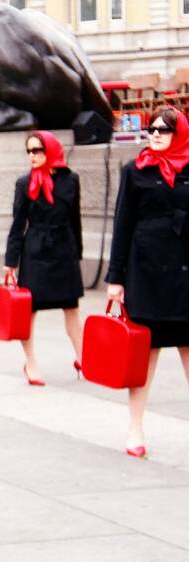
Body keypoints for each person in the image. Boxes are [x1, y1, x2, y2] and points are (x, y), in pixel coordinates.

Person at [106, 105, 189, 459]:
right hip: (146, 276)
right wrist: (115, 279)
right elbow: (122, 225)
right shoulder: (135, 171)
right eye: (151, 128)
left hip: (185, 278)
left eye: (164, 129)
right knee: (145, 357)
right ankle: (135, 428)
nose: (154, 134)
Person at [4, 131, 84, 386]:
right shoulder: (24, 182)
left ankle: (84, 358)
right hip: (36, 251)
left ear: (50, 150)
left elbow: (75, 219)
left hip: (64, 250)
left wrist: (77, 253)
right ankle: (31, 363)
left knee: (71, 308)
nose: (32, 156)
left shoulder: (71, 180)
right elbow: (17, 225)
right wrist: (10, 262)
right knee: (29, 311)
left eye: (37, 150)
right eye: (29, 151)